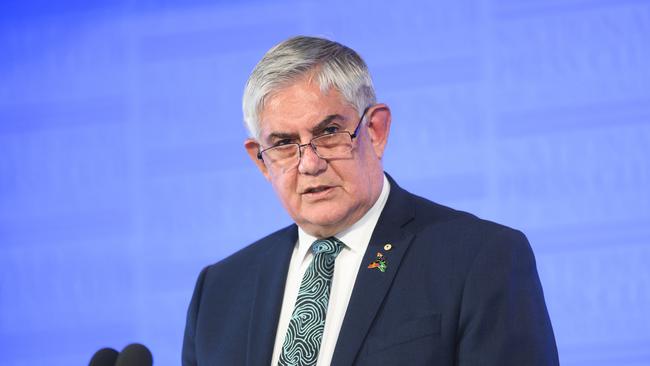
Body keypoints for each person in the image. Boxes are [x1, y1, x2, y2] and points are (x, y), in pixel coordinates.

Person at [182, 36, 559, 366]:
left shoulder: (479, 258)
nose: (310, 163)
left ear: (376, 131)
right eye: (283, 144)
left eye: (329, 132)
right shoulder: (219, 291)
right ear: (260, 159)